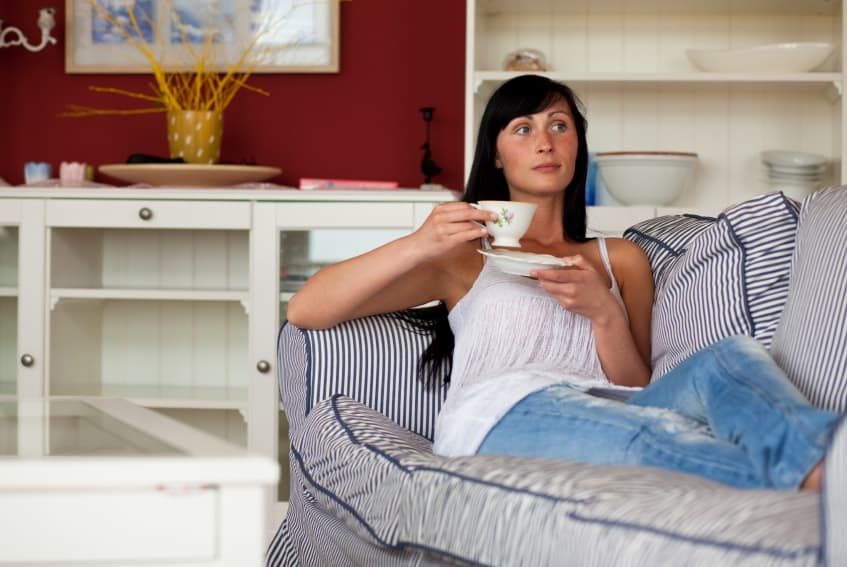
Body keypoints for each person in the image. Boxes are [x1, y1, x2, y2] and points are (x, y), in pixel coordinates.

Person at [287, 74, 838, 491]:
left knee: (731, 360)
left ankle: (823, 460)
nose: (545, 142)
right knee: (655, 441)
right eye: (523, 129)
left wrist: (605, 313)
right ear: (498, 156)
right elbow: (307, 309)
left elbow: (638, 386)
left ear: (577, 146)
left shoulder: (620, 259)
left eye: (559, 126)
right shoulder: (463, 256)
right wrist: (418, 243)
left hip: (615, 408)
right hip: (502, 413)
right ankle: (821, 485)